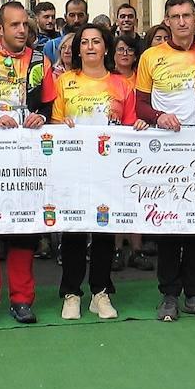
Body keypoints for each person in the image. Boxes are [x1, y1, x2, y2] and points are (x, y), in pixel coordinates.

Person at [135, 0, 195, 322]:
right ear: (166, 20)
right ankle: (168, 296)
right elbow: (141, 106)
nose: (181, 22)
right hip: (165, 154)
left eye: (187, 15)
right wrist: (159, 116)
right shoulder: (150, 57)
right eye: (175, 16)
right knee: (168, 225)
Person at [0, 1, 56, 325]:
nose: (21, 31)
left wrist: (40, 118)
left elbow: (51, 107)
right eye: (15, 25)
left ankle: (21, 300)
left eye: (24, 25)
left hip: (27, 161)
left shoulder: (41, 61)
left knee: (24, 231)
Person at [51, 22, 148, 320]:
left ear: (106, 47)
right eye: (84, 42)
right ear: (77, 49)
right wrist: (59, 125)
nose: (90, 46)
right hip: (73, 167)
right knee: (75, 231)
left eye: (96, 41)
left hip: (110, 168)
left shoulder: (122, 84)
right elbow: (53, 122)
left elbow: (131, 125)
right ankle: (71, 293)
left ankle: (100, 292)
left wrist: (140, 126)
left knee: (105, 230)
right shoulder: (63, 82)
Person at [43, 0, 87, 65]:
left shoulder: (93, 45)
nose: (76, 20)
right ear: (65, 17)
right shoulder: (52, 46)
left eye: (80, 15)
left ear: (87, 17)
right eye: (72, 15)